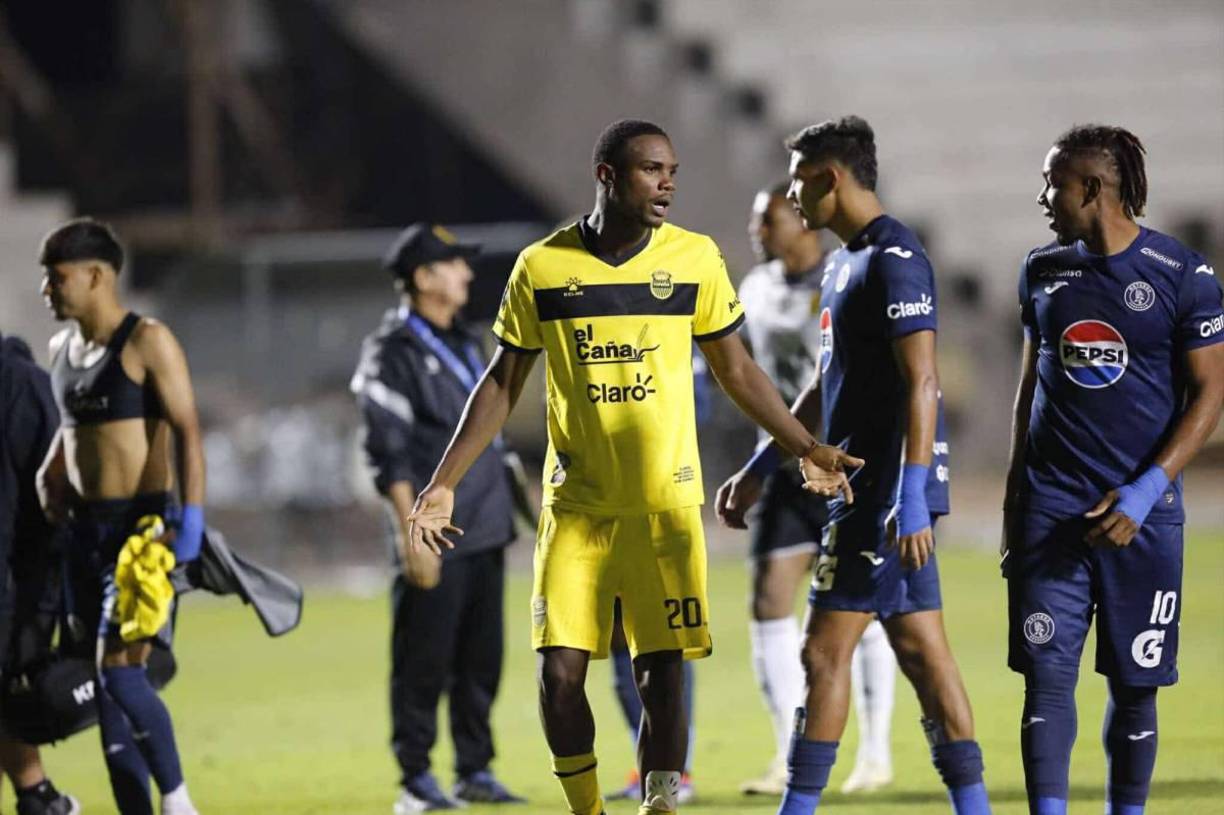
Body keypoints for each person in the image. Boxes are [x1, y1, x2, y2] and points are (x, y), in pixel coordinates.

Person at [406, 118, 863, 815]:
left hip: (664, 509)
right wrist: (442, 483)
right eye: (651, 170)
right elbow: (502, 383)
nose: (667, 183)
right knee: (560, 674)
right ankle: (587, 808)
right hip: (577, 510)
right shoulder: (543, 266)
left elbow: (737, 369)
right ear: (607, 177)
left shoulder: (695, 259)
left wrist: (806, 445)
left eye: (672, 170)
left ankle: (659, 804)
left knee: (661, 675)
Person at [718, 116, 989, 815]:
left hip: (882, 495)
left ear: (830, 179)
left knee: (822, 651)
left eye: (800, 179)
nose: (793, 194)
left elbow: (922, 380)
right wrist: (760, 464)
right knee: (925, 654)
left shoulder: (896, 256)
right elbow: (821, 385)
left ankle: (797, 807)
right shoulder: (846, 261)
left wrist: (914, 489)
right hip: (863, 491)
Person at [1002, 125, 1224, 815]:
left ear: (1092, 188)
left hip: (1144, 517)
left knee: (1136, 685)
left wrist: (1147, 489)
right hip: (1051, 511)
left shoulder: (1182, 275)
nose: (1043, 196)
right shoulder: (1043, 271)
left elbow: (1212, 392)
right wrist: (1016, 503)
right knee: (1046, 681)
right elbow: (1028, 389)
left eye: (1053, 182)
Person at [719, 183, 897, 797]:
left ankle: (873, 754)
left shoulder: (843, 277)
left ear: (801, 222)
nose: (756, 228)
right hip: (783, 462)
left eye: (765, 217)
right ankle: (787, 753)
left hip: (837, 460)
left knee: (855, 609)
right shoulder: (754, 287)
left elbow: (829, 381)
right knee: (770, 599)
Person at [351, 223, 525, 812]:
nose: (467, 275)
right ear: (423, 277)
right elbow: (387, 451)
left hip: (486, 526)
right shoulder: (391, 351)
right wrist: (411, 533)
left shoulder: (468, 340)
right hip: (434, 532)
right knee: (423, 661)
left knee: (482, 662)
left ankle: (475, 770)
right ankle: (415, 779)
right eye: (453, 265)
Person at [35, 218, 204, 815]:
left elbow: (187, 430)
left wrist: (192, 522)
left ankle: (179, 801)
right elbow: (74, 429)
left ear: (97, 275)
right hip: (82, 539)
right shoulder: (60, 350)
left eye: (56, 279)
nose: (47, 292)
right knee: (105, 694)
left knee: (122, 675)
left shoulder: (147, 341)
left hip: (141, 537)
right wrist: (52, 469)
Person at [0, 332, 79, 815]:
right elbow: (59, 483)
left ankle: (37, 796)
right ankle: (37, 798)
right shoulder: (31, 387)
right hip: (20, 581)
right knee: (8, 691)